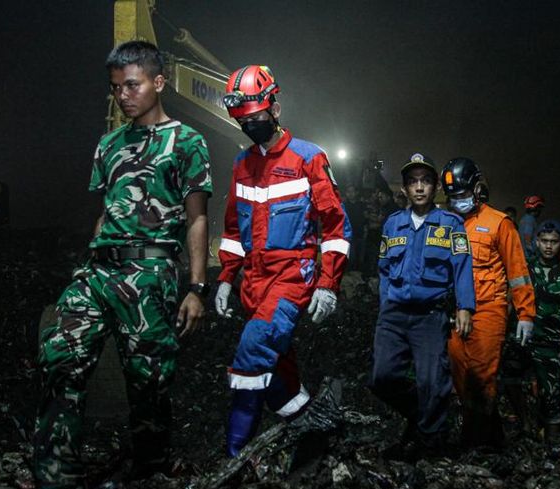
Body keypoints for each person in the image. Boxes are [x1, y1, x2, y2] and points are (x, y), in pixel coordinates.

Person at [4, 40, 212, 489]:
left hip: (151, 272)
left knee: (149, 381)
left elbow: (197, 217)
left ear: (158, 83)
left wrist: (196, 288)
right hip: (99, 269)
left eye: (132, 85)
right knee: (59, 355)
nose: (123, 96)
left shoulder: (187, 141)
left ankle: (150, 477)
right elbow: (106, 211)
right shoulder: (109, 144)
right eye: (116, 87)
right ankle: (58, 482)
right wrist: (87, 263)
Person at [214, 64, 350, 457]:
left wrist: (328, 285)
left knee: (251, 356)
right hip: (253, 283)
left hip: (292, 278)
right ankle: (319, 433)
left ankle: (234, 457)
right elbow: (234, 229)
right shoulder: (242, 165)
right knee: (277, 378)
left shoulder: (309, 157)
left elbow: (337, 227)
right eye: (243, 122)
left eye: (255, 118)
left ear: (274, 108)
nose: (250, 126)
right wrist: (226, 277)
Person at [369, 153, 475, 459]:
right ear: (404, 187)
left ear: (436, 187)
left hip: (430, 316)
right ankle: (421, 417)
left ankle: (430, 446)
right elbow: (385, 268)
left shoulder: (450, 224)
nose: (419, 187)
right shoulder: (393, 224)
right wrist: (386, 302)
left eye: (426, 181)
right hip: (394, 315)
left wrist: (464, 307)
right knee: (381, 377)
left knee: (432, 381)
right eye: (413, 181)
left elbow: (462, 265)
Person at [441, 157, 535, 447]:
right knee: (459, 371)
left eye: (463, 195)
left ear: (477, 188)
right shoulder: (448, 224)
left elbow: (517, 271)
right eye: (453, 197)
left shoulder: (499, 224)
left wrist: (525, 314)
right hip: (456, 310)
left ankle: (479, 440)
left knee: (482, 374)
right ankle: (486, 431)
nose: (459, 201)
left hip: (489, 309)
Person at [525, 220, 560, 442]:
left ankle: (552, 449)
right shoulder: (525, 269)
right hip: (522, 342)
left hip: (550, 345)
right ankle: (525, 436)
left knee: (552, 398)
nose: (549, 246)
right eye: (544, 241)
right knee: (514, 388)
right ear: (537, 242)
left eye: (554, 242)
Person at [519, 195, 544, 260]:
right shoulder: (529, 220)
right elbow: (527, 240)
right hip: (529, 259)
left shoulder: (526, 219)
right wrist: (534, 255)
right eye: (539, 208)